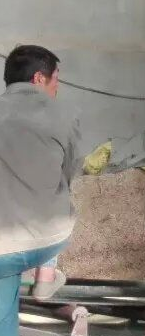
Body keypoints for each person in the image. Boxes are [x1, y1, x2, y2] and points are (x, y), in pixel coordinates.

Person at [0, 45, 81, 335]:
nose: (57, 86)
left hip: (2, 246)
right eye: (56, 78)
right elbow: (68, 174)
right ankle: (45, 277)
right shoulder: (65, 115)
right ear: (38, 78)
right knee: (54, 197)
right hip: (47, 240)